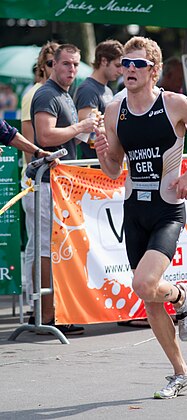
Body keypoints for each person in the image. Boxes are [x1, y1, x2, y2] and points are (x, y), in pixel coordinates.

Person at [94, 36, 187, 399]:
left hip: (167, 209)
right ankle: (181, 372)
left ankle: (182, 296)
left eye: (138, 64)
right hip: (134, 209)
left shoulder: (174, 104)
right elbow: (112, 169)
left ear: (153, 70)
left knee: (144, 284)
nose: (129, 70)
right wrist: (104, 152)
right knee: (150, 298)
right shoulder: (113, 110)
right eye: (125, 64)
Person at [25, 44, 96, 335]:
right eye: (66, 64)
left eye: (76, 65)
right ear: (53, 64)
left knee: (51, 249)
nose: (71, 70)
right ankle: (46, 314)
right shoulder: (47, 93)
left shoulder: (64, 94)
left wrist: (88, 134)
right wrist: (80, 128)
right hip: (44, 183)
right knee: (45, 249)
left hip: (57, 183)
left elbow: (63, 143)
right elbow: (45, 136)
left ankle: (47, 312)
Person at [21, 41, 59, 315]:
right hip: (38, 180)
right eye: (50, 63)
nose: (55, 68)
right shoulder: (35, 93)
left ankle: (43, 305)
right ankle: (37, 306)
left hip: (53, 179)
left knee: (44, 244)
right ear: (43, 66)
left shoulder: (58, 93)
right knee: (38, 244)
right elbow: (24, 138)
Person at [74, 39, 123, 159]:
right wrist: (122, 129)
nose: (121, 71)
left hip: (106, 161)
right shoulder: (88, 89)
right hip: (93, 163)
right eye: (117, 65)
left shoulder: (107, 90)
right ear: (103, 61)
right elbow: (88, 132)